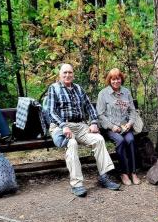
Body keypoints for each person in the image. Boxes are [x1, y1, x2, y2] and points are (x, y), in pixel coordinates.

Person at [47, 63, 120, 197]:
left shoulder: (78, 89)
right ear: (60, 75)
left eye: (70, 72)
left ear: (73, 74)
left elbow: (89, 107)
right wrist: (64, 126)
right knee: (72, 144)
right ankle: (77, 184)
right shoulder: (54, 88)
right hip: (61, 126)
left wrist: (93, 122)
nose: (68, 75)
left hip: (80, 126)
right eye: (65, 73)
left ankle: (104, 177)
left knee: (98, 139)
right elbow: (50, 112)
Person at [97, 68, 140, 186]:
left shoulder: (126, 92)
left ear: (121, 79)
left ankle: (133, 172)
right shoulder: (103, 94)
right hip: (110, 128)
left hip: (125, 126)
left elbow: (132, 111)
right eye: (113, 79)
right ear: (109, 80)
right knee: (120, 141)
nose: (116, 81)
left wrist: (130, 123)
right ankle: (124, 173)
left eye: (118, 79)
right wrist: (112, 126)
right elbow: (100, 114)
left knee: (130, 140)